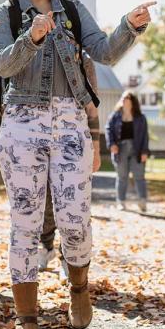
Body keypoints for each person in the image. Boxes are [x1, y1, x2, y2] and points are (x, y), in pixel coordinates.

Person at [0, 0, 154, 329]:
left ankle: (79, 289)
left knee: (75, 220)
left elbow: (106, 53)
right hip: (23, 121)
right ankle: (26, 318)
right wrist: (32, 37)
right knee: (25, 222)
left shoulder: (74, 12)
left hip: (70, 123)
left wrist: (128, 26)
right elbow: (3, 66)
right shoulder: (6, 13)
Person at [38, 52, 101, 275]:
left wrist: (96, 147)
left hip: (73, 141)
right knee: (43, 200)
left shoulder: (84, 59)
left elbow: (92, 106)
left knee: (71, 204)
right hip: (37, 137)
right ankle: (45, 247)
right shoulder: (33, 50)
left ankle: (69, 258)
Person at [105, 90, 150, 212]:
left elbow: (145, 135)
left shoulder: (141, 118)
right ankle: (121, 202)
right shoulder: (115, 116)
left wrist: (145, 151)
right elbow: (108, 130)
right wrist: (112, 144)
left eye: (128, 98)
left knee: (139, 176)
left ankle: (142, 201)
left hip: (137, 150)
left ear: (133, 101)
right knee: (122, 177)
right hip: (120, 150)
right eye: (123, 98)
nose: (125, 100)